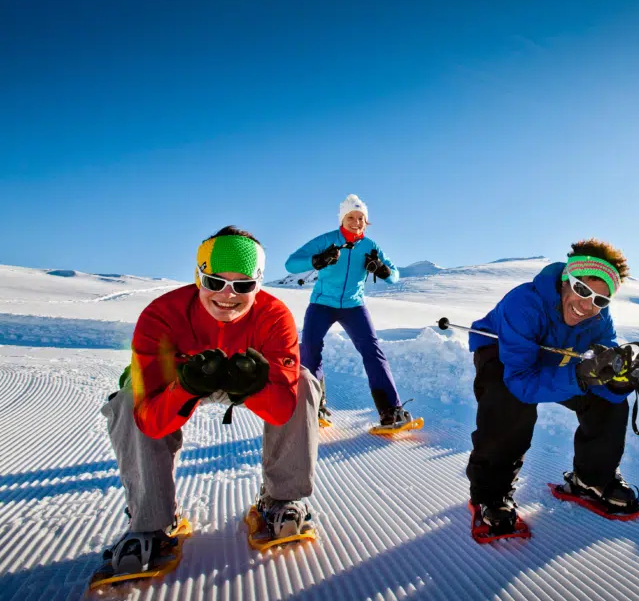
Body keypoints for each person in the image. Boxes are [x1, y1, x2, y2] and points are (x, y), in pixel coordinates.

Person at [100, 226, 322, 574]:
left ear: (258, 284)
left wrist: (255, 387)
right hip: (177, 384)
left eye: (243, 286)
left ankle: (281, 499)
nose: (227, 296)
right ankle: (151, 520)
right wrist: (186, 387)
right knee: (128, 401)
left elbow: (282, 409)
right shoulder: (162, 315)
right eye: (215, 282)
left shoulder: (274, 316)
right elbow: (150, 420)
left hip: (243, 380)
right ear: (199, 276)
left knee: (304, 382)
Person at [466, 239, 639, 534]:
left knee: (609, 400)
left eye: (600, 300)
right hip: (504, 354)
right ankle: (491, 493)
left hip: (556, 355)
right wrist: (579, 376)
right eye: (582, 289)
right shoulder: (523, 303)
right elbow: (521, 381)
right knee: (508, 402)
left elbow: (605, 367)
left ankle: (593, 478)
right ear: (566, 280)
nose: (588, 305)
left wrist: (617, 382)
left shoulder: (600, 320)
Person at [285, 194, 410, 429]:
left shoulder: (370, 246)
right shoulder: (327, 240)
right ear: (342, 219)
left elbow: (394, 276)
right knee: (310, 350)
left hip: (353, 306)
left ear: (367, 221)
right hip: (322, 304)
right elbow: (291, 264)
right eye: (351, 217)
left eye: (361, 217)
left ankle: (391, 410)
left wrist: (382, 269)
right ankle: (313, 406)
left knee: (373, 352)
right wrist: (318, 260)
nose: (356, 222)